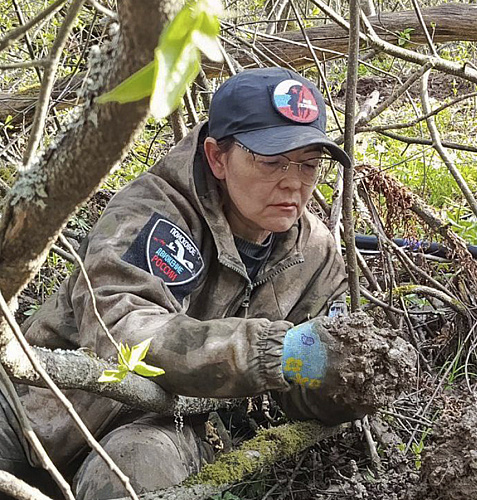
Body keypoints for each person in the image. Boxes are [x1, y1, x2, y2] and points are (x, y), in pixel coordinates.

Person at [0, 67, 360, 498]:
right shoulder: (153, 209)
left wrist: (347, 383)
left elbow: (302, 401)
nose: (293, 183)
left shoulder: (315, 255)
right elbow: (123, 329)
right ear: (217, 158)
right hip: (41, 405)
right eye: (272, 162)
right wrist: (269, 352)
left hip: (166, 426)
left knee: (133, 473)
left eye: (308, 165)